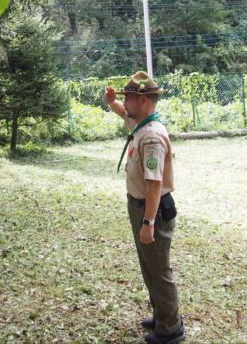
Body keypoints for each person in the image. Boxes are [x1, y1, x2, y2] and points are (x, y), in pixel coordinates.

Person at [105, 71, 185, 344]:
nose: (125, 102)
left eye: (128, 98)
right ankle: (162, 314)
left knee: (158, 270)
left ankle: (171, 328)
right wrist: (112, 102)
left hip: (152, 209)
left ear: (143, 101)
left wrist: (149, 222)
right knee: (149, 266)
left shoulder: (151, 135)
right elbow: (124, 115)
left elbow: (154, 184)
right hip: (142, 206)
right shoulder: (142, 123)